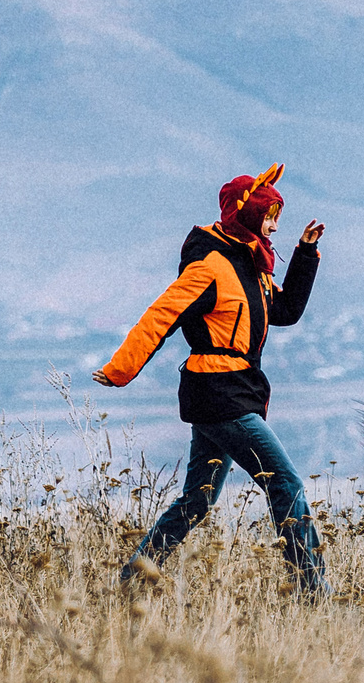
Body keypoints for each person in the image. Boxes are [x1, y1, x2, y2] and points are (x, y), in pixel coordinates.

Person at [95, 165, 328, 592]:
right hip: (220, 395)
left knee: (198, 499)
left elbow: (285, 312)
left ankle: (132, 578)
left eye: (277, 216)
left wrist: (305, 254)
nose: (275, 225)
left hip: (233, 391)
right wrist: (120, 369)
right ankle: (315, 592)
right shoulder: (210, 267)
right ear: (247, 213)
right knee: (286, 484)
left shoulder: (253, 266)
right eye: (269, 216)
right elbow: (161, 315)